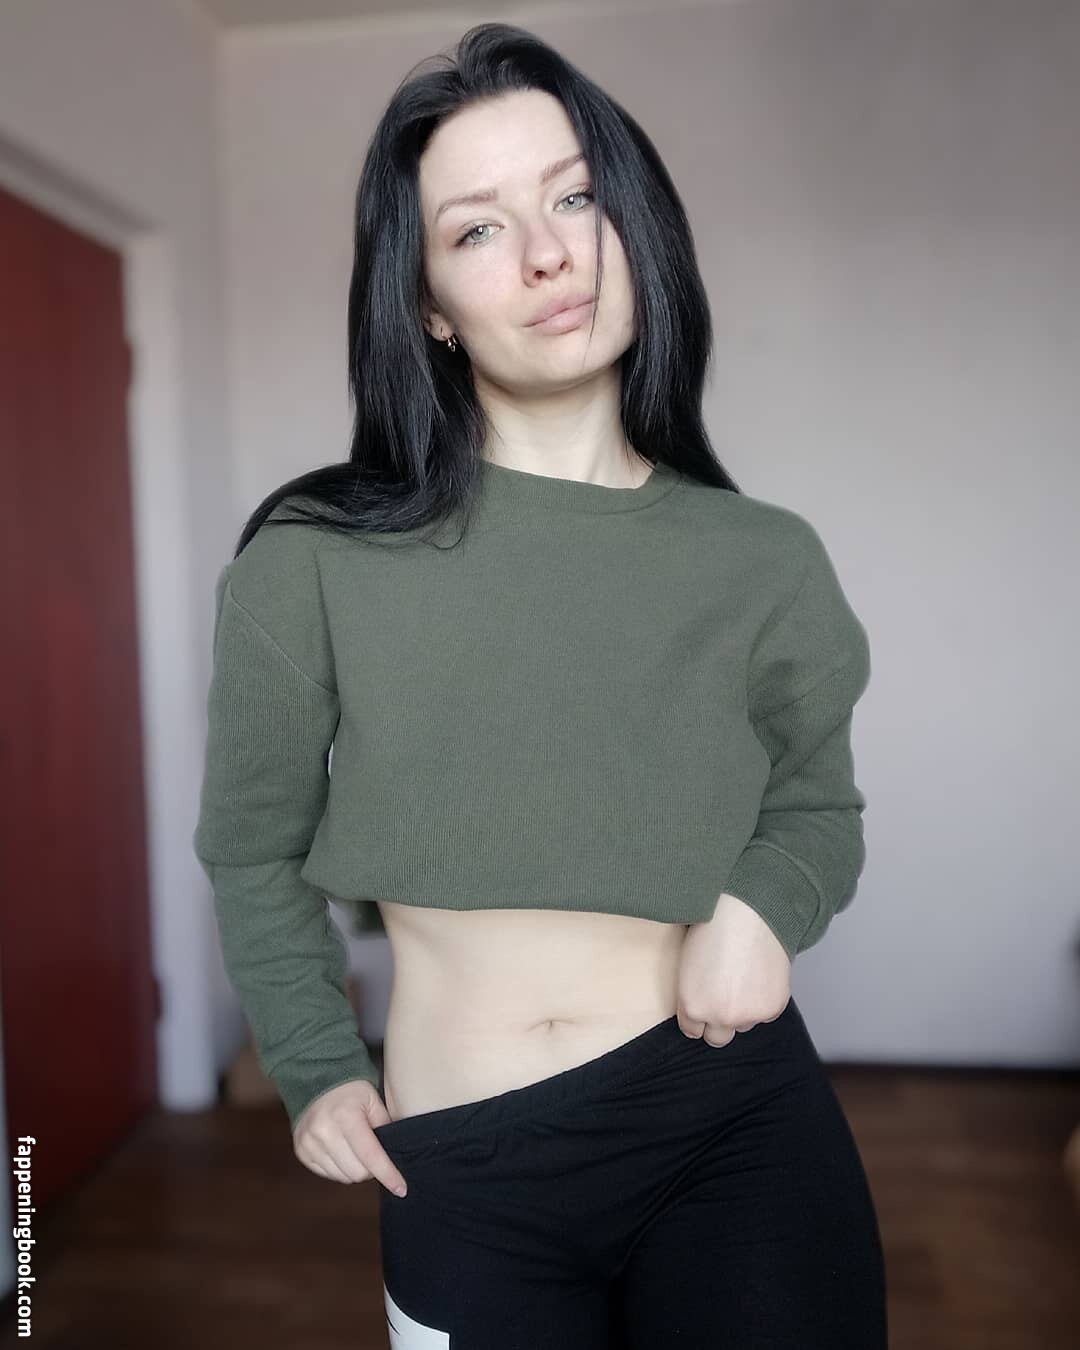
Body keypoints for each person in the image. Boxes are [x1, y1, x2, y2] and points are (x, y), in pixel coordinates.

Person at [193, 22, 887, 1350]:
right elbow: (251, 847)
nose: (548, 253)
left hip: (731, 1123)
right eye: (477, 228)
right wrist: (313, 1057)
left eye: (575, 198)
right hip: (468, 1162)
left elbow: (816, 803)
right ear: (427, 305)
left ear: (635, 226)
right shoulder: (312, 561)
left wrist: (766, 906)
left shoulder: (763, 558)